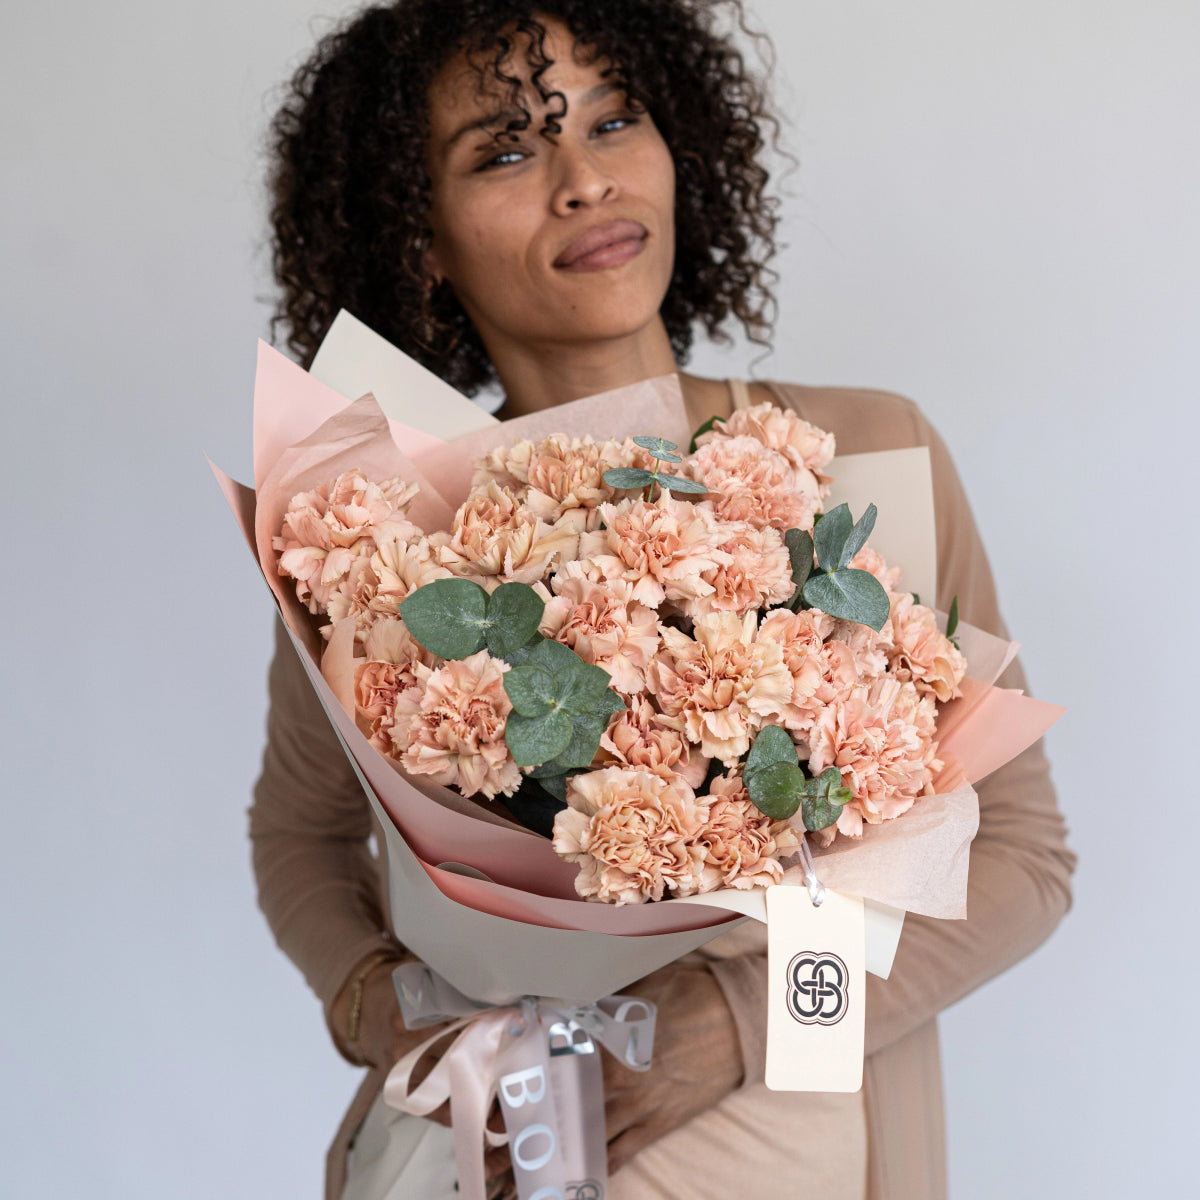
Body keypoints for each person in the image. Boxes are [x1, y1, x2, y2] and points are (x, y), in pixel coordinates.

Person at [250, 3, 1076, 1198]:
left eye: (614, 118)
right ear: (416, 235)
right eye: (508, 150)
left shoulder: (868, 455)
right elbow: (300, 836)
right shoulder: (372, 538)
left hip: (802, 1153)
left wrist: (742, 1018)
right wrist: (382, 1004)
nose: (584, 180)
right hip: (481, 1152)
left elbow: (1021, 862)